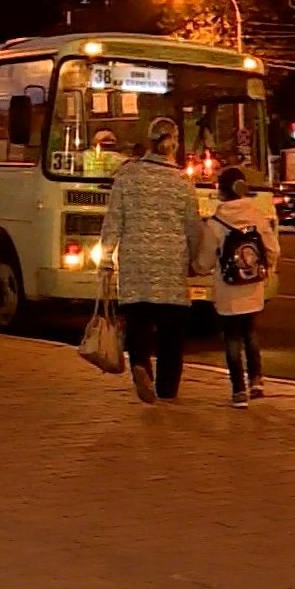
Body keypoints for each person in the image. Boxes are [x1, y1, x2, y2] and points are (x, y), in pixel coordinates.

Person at [98, 117, 204, 404]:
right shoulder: (182, 182)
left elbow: (113, 221)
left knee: (138, 324)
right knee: (172, 333)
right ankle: (167, 390)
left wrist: (106, 259)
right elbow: (193, 227)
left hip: (135, 268)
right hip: (170, 269)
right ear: (174, 143)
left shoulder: (127, 176)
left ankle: (140, 366)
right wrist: (197, 261)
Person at [196, 166, 281, 408]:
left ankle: (238, 391)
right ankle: (256, 381)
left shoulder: (216, 222)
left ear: (221, 191)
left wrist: (198, 268)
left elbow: (206, 260)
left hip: (228, 287)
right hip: (252, 283)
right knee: (250, 332)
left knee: (231, 337)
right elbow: (273, 249)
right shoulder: (257, 215)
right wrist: (266, 271)